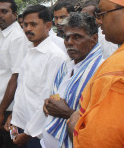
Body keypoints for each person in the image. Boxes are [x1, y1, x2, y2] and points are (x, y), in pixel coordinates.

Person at [68, 0, 124, 147]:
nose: (99, 21)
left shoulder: (116, 69)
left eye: (101, 14)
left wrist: (73, 123)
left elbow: (98, 141)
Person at [7, 5, 67, 148]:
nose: (27, 29)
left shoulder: (55, 57)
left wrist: (28, 134)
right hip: (23, 126)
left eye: (33, 24)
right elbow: (23, 90)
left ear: (48, 26)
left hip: (39, 134)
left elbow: (50, 99)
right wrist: (14, 117)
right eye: (25, 25)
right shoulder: (31, 51)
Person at [41, 12, 103, 148]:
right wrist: (51, 103)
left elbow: (99, 123)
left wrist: (67, 113)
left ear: (94, 39)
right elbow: (58, 93)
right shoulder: (67, 64)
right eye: (66, 37)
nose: (69, 42)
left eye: (77, 37)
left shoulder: (101, 70)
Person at [0, 0, 29, 148]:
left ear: (15, 14)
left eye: (4, 11)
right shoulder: (2, 35)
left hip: (7, 112)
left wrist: (0, 112)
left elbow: (16, 77)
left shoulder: (17, 38)